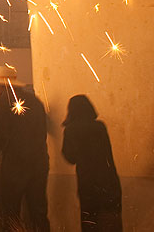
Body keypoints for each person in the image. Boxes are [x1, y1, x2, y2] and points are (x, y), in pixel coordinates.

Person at [0, 65, 50, 232]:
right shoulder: (35, 101)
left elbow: (0, 137)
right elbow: (42, 133)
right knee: (38, 212)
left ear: (0, 86)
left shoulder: (1, 104)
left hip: (14, 167)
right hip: (39, 164)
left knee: (11, 214)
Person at [62, 95, 122, 231]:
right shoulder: (100, 127)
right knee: (110, 222)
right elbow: (107, 153)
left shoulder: (71, 130)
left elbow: (70, 158)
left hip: (87, 185)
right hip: (109, 182)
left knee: (90, 223)